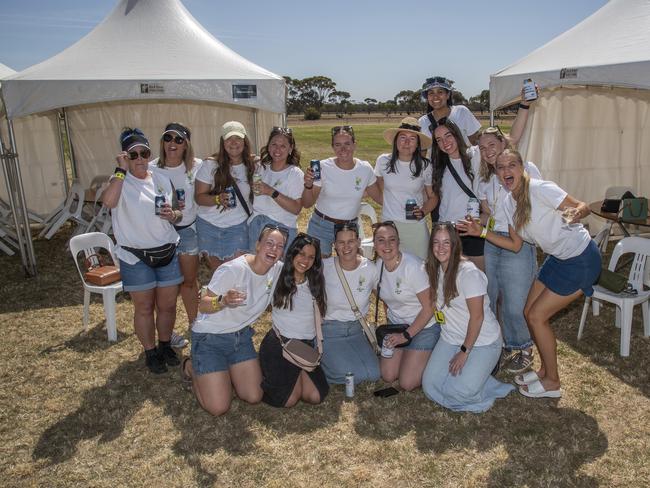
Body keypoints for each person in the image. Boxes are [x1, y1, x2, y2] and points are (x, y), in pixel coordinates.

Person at [457, 149, 601, 398]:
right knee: (528, 312)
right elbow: (515, 245)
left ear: (522, 168)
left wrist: (576, 212)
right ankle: (545, 371)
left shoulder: (540, 189)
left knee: (536, 317)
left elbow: (582, 206)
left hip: (580, 258)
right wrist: (480, 232)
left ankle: (553, 383)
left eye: (511, 165)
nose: (505, 171)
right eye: (500, 167)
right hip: (558, 259)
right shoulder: (507, 202)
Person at [180, 224, 286, 416]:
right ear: (258, 245)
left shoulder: (278, 269)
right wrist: (223, 301)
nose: (274, 249)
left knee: (254, 396)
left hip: (241, 338)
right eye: (269, 243)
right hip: (210, 339)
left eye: (280, 246)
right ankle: (191, 367)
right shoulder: (233, 269)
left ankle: (223, 370)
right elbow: (202, 304)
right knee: (219, 408)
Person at [103, 128, 183, 374]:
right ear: (125, 157)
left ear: (149, 154)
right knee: (145, 308)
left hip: (167, 250)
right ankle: (150, 351)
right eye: (133, 154)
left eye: (143, 153)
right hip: (135, 256)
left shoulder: (160, 177)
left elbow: (178, 212)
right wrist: (120, 170)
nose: (139, 159)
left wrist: (174, 215)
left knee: (168, 306)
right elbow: (108, 203)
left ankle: (165, 344)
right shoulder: (119, 180)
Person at [421, 223, 515, 412]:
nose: (441, 248)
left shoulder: (469, 274)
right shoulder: (434, 269)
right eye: (437, 243)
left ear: (456, 244)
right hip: (450, 338)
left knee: (456, 392)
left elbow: (477, 317)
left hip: (482, 341)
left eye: (447, 243)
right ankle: (478, 380)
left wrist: (464, 351)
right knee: (429, 387)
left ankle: (479, 388)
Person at [476, 122, 541, 373]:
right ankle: (500, 344)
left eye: (492, 144)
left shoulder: (525, 168)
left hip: (519, 241)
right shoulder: (485, 181)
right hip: (492, 242)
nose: (488, 150)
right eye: (482, 148)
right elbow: (486, 215)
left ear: (505, 144)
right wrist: (477, 222)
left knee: (516, 301)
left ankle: (524, 348)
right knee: (492, 296)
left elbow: (535, 202)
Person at [259, 233, 329, 407]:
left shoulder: (315, 282)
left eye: (311, 257)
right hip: (280, 344)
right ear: (292, 253)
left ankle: (293, 377)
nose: (305, 260)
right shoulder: (277, 274)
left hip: (304, 347)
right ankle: (258, 376)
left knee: (316, 397)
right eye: (301, 254)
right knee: (288, 400)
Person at [149, 123, 201, 347]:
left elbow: (225, 161)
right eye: (168, 138)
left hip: (187, 231)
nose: (172, 143)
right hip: (161, 234)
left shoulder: (197, 166)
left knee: (189, 282)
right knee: (164, 289)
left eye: (178, 140)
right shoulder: (151, 168)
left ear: (186, 145)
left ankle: (196, 326)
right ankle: (166, 334)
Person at [372, 221, 437, 390]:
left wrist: (406, 336)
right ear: (374, 244)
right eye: (381, 240)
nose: (386, 245)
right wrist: (393, 330)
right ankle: (412, 356)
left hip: (424, 327)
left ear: (398, 242)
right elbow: (386, 300)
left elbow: (430, 307)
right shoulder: (377, 267)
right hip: (398, 326)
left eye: (391, 240)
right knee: (388, 375)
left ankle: (436, 353)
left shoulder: (413, 267)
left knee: (407, 383)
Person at [302, 125, 382, 256]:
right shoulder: (322, 167)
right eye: (338, 145)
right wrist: (308, 185)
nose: (343, 149)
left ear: (355, 145)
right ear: (333, 147)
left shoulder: (365, 169)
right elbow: (307, 203)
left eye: (347, 144)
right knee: (320, 271)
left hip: (349, 228)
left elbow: (380, 198)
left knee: (351, 269)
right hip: (321, 226)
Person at [320, 222, 380, 385]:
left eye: (351, 241)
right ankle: (319, 366)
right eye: (341, 242)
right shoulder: (323, 268)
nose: (346, 247)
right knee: (355, 376)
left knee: (374, 374)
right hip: (329, 330)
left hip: (356, 330)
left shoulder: (370, 269)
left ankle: (337, 360)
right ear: (334, 246)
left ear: (359, 242)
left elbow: (385, 296)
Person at [195, 121, 256, 271]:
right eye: (229, 138)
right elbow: (199, 197)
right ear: (223, 142)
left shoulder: (253, 165)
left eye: (238, 138)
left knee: (236, 271)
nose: (234, 143)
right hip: (209, 225)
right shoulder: (210, 165)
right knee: (219, 274)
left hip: (238, 226)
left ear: (245, 141)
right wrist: (217, 199)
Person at [374, 117, 437, 260]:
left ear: (418, 144)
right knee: (389, 268)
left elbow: (433, 197)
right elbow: (378, 189)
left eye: (412, 139)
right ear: (396, 140)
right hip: (389, 226)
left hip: (415, 227)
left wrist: (423, 211)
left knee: (421, 269)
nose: (407, 143)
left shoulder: (425, 166)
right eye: (403, 137)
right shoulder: (383, 161)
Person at [431, 119, 484, 270]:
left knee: (479, 280)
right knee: (452, 283)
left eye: (448, 136)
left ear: (457, 134)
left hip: (473, 228)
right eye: (439, 140)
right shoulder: (437, 166)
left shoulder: (474, 155)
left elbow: (508, 139)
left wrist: (524, 106)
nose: (445, 142)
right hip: (449, 231)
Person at [248, 126, 304, 250]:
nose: (277, 149)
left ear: (290, 149)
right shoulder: (261, 167)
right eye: (274, 144)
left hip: (281, 229)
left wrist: (270, 191)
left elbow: (296, 208)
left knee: (278, 269)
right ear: (268, 146)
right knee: (256, 267)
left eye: (283, 146)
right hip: (256, 227)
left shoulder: (295, 173)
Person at [418, 76, 481, 146]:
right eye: (431, 93)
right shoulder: (422, 122)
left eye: (440, 92)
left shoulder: (462, 112)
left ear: (448, 95)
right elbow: (423, 151)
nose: (435, 96)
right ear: (427, 97)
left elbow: (476, 142)